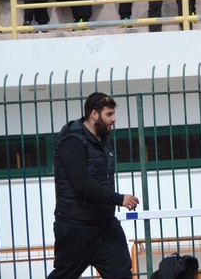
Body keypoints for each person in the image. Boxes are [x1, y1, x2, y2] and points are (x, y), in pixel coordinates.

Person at [46, 93, 139, 279]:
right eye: (109, 114)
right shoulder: (72, 140)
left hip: (105, 224)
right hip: (76, 226)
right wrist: (119, 199)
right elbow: (81, 183)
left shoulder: (102, 140)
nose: (114, 119)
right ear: (94, 114)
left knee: (122, 274)